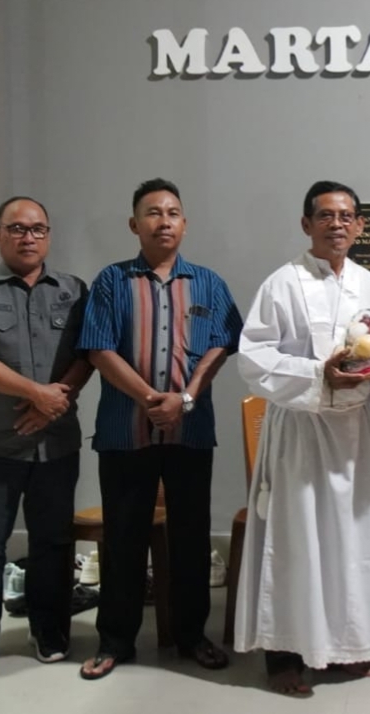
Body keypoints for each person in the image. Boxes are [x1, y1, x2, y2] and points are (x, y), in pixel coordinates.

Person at [235, 180, 370, 695]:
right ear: (306, 224)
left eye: (346, 216)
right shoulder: (282, 283)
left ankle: (343, 646)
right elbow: (254, 359)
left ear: (359, 226)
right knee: (297, 542)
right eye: (325, 215)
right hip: (300, 431)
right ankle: (286, 654)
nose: (336, 224)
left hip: (352, 436)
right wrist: (321, 375)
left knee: (350, 543)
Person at [76, 179, 241, 679]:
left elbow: (223, 344)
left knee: (191, 538)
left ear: (184, 223)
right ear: (134, 224)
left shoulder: (209, 284)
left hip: (190, 432)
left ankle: (191, 635)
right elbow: (98, 348)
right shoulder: (111, 281)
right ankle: (115, 640)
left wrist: (184, 399)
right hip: (126, 433)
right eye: (152, 213)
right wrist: (150, 399)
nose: (163, 221)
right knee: (123, 539)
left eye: (172, 213)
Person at [0, 196, 92, 676]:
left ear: (48, 235)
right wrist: (37, 395)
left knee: (53, 542)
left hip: (57, 442)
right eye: (17, 229)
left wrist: (56, 400)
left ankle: (48, 629)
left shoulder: (73, 291)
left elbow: (88, 355)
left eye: (37, 229)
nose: (28, 237)